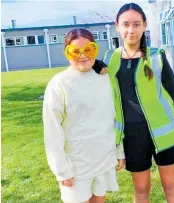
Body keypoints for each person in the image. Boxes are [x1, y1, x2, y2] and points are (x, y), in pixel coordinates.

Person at [102, 3, 174, 203]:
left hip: (164, 132)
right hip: (132, 135)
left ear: (145, 26)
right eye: (126, 24)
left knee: (171, 186)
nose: (131, 30)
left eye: (137, 24)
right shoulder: (107, 60)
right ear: (117, 26)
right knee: (141, 190)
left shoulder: (157, 56)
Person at [42, 28, 125, 203]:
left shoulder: (106, 78)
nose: (82, 56)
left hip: (104, 157)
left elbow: (115, 118)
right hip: (75, 164)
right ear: (66, 53)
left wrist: (119, 151)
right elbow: (52, 130)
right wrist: (61, 169)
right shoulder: (59, 83)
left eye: (88, 49)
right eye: (75, 51)